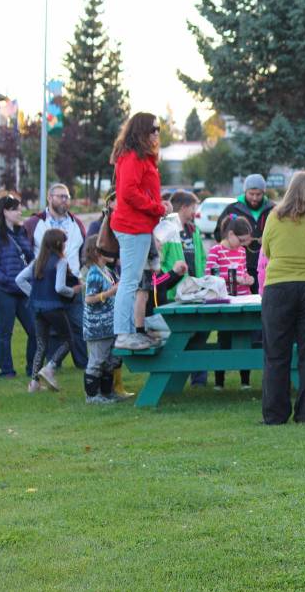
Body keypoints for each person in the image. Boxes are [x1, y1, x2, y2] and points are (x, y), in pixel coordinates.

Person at [260, 171, 305, 425]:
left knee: (276, 354)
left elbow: (267, 250)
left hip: (280, 286)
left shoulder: (275, 217)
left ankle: (275, 414)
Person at [109, 113, 169, 351]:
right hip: (133, 227)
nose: (157, 133)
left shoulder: (141, 157)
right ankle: (124, 334)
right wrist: (157, 207)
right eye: (153, 129)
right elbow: (129, 193)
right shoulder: (133, 156)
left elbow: (140, 191)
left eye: (158, 129)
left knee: (136, 282)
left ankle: (134, 331)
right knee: (129, 282)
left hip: (140, 226)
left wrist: (159, 206)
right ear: (141, 131)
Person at [23, 182, 88, 368]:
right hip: (47, 283)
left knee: (78, 325)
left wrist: (76, 273)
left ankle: (83, 363)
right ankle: (53, 365)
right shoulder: (34, 223)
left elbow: (81, 252)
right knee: (50, 330)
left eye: (67, 196)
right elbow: (26, 252)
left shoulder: (77, 224)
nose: (64, 200)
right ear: (49, 198)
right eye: (60, 196)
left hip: (72, 280)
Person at [16, 229, 81, 393]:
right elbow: (59, 287)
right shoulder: (60, 262)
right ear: (58, 244)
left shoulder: (38, 262)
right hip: (53, 307)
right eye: (64, 242)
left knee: (41, 344)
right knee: (68, 340)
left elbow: (19, 279)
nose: (65, 245)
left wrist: (34, 294)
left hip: (37, 308)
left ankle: (34, 384)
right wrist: (73, 291)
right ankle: (50, 367)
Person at [0, 195, 37, 379]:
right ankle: (7, 371)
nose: (20, 212)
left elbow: (29, 258)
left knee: (35, 330)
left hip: (22, 289)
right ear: (4, 211)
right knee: (5, 333)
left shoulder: (21, 232)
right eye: (15, 209)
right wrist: (7, 280)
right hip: (1, 291)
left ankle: (33, 369)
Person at [158, 190, 209, 386]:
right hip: (173, 293)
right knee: (178, 336)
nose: (195, 212)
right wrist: (170, 275)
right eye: (194, 207)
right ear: (184, 207)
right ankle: (172, 379)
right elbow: (159, 261)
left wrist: (202, 279)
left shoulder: (193, 230)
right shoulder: (166, 229)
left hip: (195, 291)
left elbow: (201, 258)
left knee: (201, 331)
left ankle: (199, 379)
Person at [207, 216, 256, 389]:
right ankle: (219, 382)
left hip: (243, 299)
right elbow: (210, 277)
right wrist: (234, 279)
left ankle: (245, 381)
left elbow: (243, 272)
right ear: (230, 234)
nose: (242, 245)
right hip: (224, 301)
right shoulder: (215, 251)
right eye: (241, 240)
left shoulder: (241, 251)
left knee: (244, 339)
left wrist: (248, 279)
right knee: (224, 339)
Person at [80, 237, 123, 404]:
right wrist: (110, 292)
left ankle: (106, 392)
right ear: (97, 251)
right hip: (97, 327)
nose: (113, 250)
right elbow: (89, 299)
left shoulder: (107, 271)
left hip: (110, 325)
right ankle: (92, 395)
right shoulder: (94, 274)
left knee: (109, 361)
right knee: (97, 360)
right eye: (109, 247)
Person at [214, 173, 274, 281]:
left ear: (264, 192)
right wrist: (238, 240)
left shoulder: (274, 210)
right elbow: (219, 234)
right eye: (251, 194)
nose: (254, 198)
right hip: (239, 267)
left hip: (267, 267)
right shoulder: (232, 209)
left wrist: (267, 240)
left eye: (258, 194)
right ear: (245, 191)